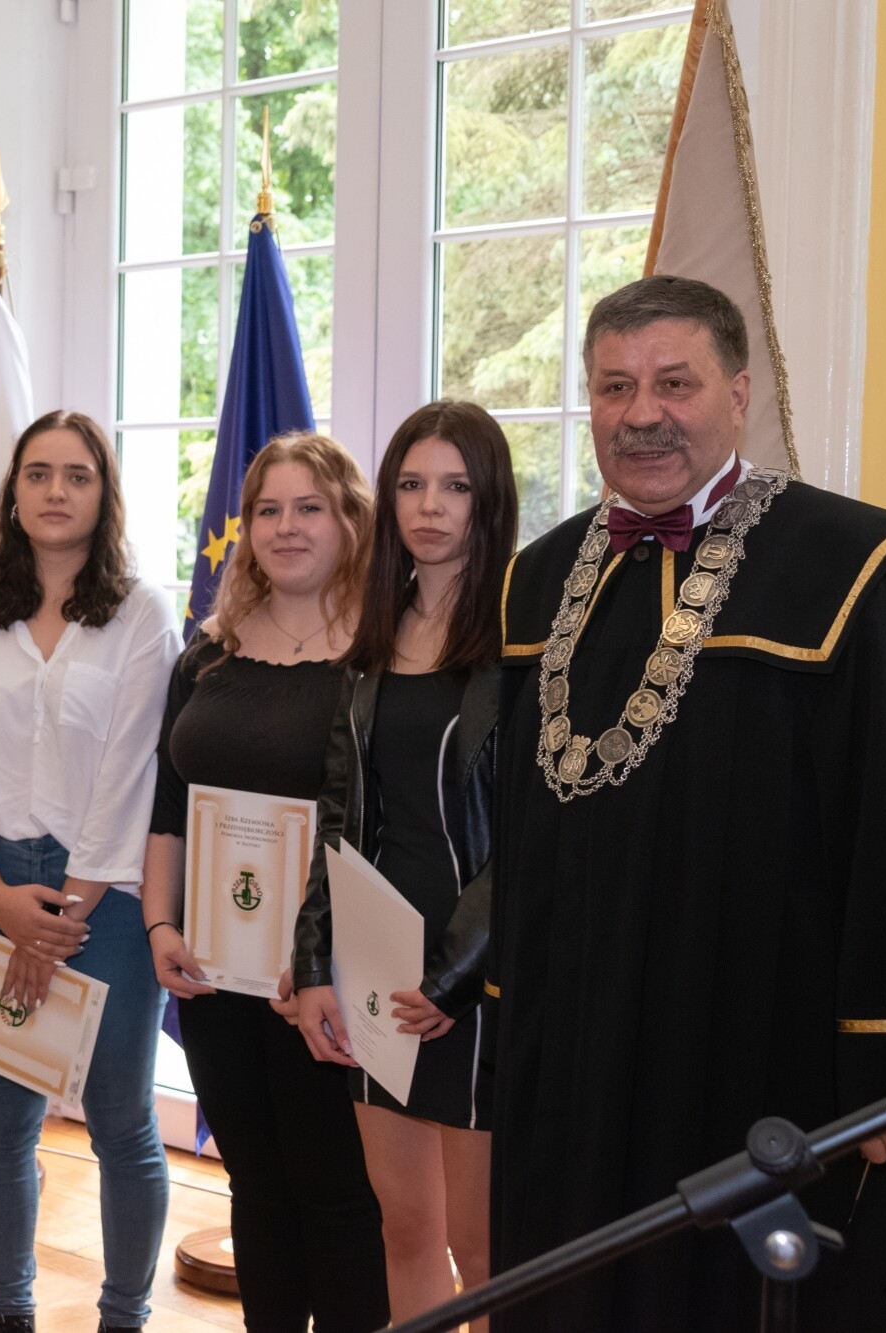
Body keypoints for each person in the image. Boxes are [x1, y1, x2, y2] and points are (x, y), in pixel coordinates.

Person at [491, 275, 886, 1331]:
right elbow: (521, 827)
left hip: (759, 1045)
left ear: (738, 393)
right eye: (614, 386)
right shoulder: (537, 578)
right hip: (571, 1045)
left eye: (675, 382)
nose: (641, 413)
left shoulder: (849, 568)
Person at [0, 410, 183, 1333]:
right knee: (0, 1125)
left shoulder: (142, 614)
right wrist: (3, 905)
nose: (56, 491)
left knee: (122, 1119)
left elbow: (132, 773)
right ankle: (12, 1311)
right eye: (38, 473)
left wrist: (59, 920)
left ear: (104, 494)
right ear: (14, 493)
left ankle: (123, 1314)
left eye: (77, 475)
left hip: (105, 897)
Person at [144, 431, 390, 1332]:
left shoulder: (383, 653)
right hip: (218, 971)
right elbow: (169, 804)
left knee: (338, 1190)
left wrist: (329, 960)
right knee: (252, 1178)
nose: (285, 527)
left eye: (308, 507)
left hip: (328, 976)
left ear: (351, 519)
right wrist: (159, 925)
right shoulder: (205, 653)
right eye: (268, 510)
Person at [288, 402, 515, 1328]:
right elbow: (340, 819)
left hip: (480, 977)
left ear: (488, 499)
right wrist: (313, 963)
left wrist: (454, 976)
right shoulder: (372, 643)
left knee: (484, 1251)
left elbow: (535, 838)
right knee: (407, 1229)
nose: (430, 506)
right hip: (379, 962)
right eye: (412, 485)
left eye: (455, 486)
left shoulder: (527, 644)